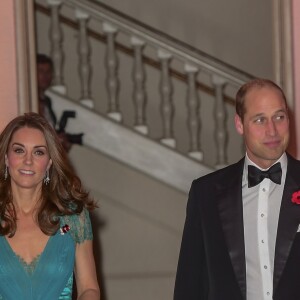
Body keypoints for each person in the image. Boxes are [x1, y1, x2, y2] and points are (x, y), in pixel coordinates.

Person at [174, 78, 300, 300]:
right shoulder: (206, 194)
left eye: (279, 117)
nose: (272, 131)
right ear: (239, 124)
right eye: (260, 120)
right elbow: (189, 285)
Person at [0, 112, 100, 299]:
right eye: (19, 150)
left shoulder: (73, 217)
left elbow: (89, 287)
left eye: (38, 152)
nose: (28, 161)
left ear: (49, 163)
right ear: (6, 158)